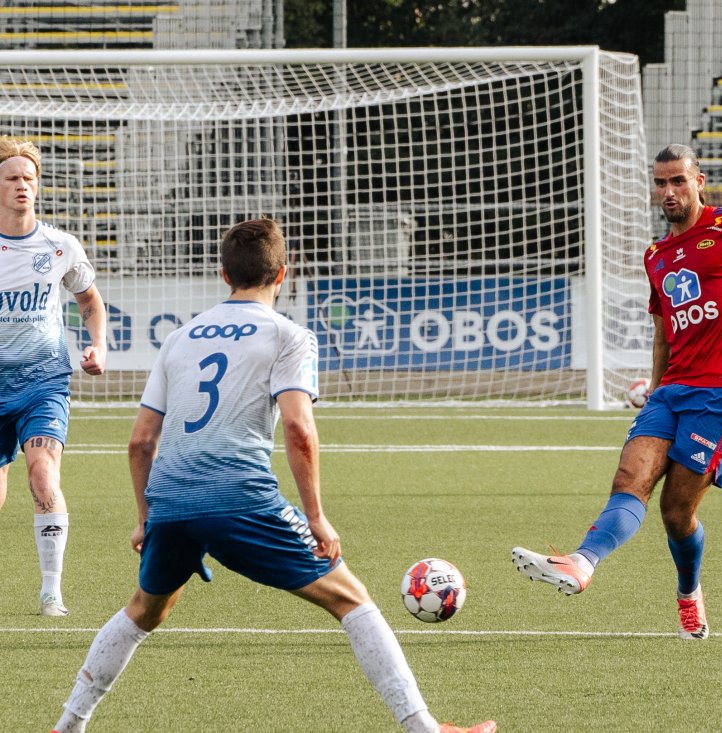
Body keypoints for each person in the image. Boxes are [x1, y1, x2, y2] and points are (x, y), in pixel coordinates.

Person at [51, 219, 494, 733]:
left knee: (145, 610)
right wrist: (318, 518)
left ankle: (67, 725)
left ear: (223, 274)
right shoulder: (289, 335)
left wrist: (147, 517)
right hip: (241, 498)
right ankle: (425, 729)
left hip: (171, 498)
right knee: (351, 598)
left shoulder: (179, 338)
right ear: (283, 273)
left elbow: (140, 442)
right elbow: (299, 429)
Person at [511, 144, 722, 639]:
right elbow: (662, 329)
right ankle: (582, 563)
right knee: (629, 479)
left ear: (700, 181)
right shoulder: (657, 254)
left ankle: (688, 593)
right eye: (660, 183)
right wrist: (655, 390)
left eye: (677, 180)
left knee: (676, 513)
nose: (668, 191)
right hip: (673, 391)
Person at [0, 136, 107, 617]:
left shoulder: (59, 245)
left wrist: (97, 343)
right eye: (12, 178)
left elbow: (89, 300)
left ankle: (51, 592)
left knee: (43, 476)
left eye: (29, 178)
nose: (22, 185)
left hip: (44, 379)